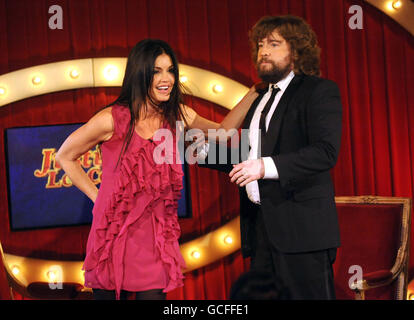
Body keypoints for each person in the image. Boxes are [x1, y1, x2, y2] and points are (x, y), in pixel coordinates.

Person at [55, 39, 258, 300]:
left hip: (154, 238)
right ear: (140, 75)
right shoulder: (111, 119)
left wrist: (253, 92)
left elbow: (222, 133)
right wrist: (98, 199)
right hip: (113, 236)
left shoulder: (178, 115)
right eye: (156, 71)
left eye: (170, 70)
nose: (167, 78)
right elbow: (65, 156)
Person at [200, 15, 342, 299]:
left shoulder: (318, 91)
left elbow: (325, 152)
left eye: (274, 44)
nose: (263, 51)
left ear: (297, 51)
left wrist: (264, 167)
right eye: (260, 44)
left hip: (303, 232)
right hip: (262, 229)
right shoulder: (260, 96)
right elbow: (248, 158)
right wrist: (197, 150)